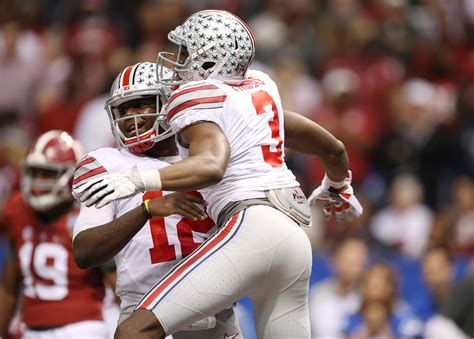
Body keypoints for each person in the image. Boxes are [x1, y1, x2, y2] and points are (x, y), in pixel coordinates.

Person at [73, 10, 363, 339]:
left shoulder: (195, 107)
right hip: (290, 234)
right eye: (125, 109)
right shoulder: (257, 91)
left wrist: (139, 180)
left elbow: (211, 166)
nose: (177, 65)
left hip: (243, 244)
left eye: (143, 104)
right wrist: (339, 184)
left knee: (133, 332)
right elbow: (333, 147)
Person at [71, 61, 243, 338]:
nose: (130, 117)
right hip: (143, 310)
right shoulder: (106, 164)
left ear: (168, 103)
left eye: (141, 105)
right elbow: (85, 252)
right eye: (123, 109)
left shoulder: (207, 159)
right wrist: (146, 209)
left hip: (214, 310)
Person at [0, 130, 114, 339]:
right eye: (34, 172)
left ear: (73, 176)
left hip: (82, 327)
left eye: (47, 173)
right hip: (30, 328)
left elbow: (118, 284)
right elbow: (8, 289)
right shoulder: (17, 211)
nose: (39, 181)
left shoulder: (90, 215)